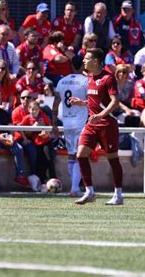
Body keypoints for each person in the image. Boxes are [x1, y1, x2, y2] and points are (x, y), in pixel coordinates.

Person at [69, 48, 123, 205]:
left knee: (113, 159)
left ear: (95, 61)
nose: (84, 61)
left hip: (107, 124)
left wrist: (101, 115)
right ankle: (89, 192)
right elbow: (97, 101)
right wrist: (82, 103)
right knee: (80, 154)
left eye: (87, 58)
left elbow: (115, 102)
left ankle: (118, 195)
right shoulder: (90, 77)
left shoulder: (108, 78)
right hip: (92, 124)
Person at [52, 60, 88, 196]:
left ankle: (74, 187)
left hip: (67, 122)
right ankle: (74, 188)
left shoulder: (62, 81)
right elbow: (92, 101)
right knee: (81, 155)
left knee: (72, 155)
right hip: (81, 123)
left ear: (71, 66)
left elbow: (56, 103)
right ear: (83, 66)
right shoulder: (85, 81)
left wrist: (54, 123)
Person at [19, 100, 56, 183]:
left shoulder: (43, 116)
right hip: (36, 143)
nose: (34, 111)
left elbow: (49, 126)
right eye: (32, 109)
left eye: (36, 109)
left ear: (39, 109)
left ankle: (54, 179)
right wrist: (25, 138)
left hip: (46, 141)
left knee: (49, 159)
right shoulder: (27, 118)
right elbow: (20, 128)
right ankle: (42, 180)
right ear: (29, 109)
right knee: (39, 161)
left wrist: (46, 132)